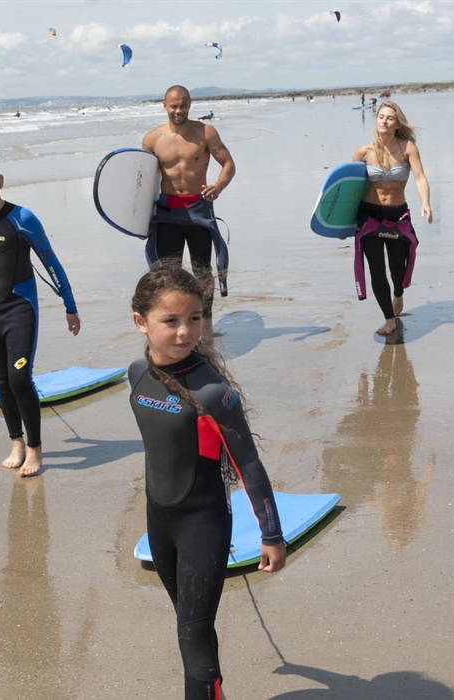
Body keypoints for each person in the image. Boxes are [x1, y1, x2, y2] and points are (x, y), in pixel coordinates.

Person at [128, 263, 286, 700]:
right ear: (141, 322)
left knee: (192, 635)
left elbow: (249, 465)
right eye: (171, 321)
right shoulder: (136, 374)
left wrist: (272, 535)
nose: (186, 331)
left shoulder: (213, 392)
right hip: (159, 520)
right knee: (190, 626)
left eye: (195, 318)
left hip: (204, 522)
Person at [0, 154, 81, 476]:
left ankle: (35, 448)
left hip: (20, 309)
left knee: (19, 378)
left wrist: (69, 306)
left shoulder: (23, 218)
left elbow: (50, 261)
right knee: (2, 379)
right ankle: (16, 442)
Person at [142, 85, 236, 340]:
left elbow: (228, 164)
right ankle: (173, 324)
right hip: (167, 214)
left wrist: (217, 187)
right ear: (164, 105)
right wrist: (137, 219)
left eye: (183, 105)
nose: (178, 110)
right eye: (173, 106)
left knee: (203, 271)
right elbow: (141, 181)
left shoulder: (205, 132)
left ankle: (205, 326)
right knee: (168, 274)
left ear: (190, 105)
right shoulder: (152, 139)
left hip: (199, 212)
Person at [351, 102, 432, 335]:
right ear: (376, 120)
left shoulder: (407, 148)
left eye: (390, 118)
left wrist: (425, 202)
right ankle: (389, 318)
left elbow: (419, 178)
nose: (384, 121)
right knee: (376, 269)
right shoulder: (363, 152)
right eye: (381, 117)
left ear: (397, 124)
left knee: (398, 268)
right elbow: (349, 189)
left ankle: (398, 292)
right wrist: (340, 223)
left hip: (397, 215)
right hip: (369, 217)